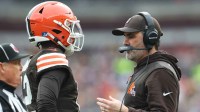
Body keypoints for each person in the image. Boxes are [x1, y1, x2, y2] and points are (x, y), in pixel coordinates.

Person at [97, 12, 181, 112]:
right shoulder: (145, 69)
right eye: (125, 36)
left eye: (131, 36)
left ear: (150, 37)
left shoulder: (160, 72)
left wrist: (124, 111)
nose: (125, 42)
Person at [22, 1, 84, 112]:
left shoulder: (34, 60)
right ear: (55, 28)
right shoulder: (52, 58)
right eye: (69, 26)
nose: (72, 31)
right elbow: (46, 104)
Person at [0, 43, 29, 112]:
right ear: (1, 67)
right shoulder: (2, 98)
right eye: (16, 63)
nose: (21, 67)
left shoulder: (13, 96)